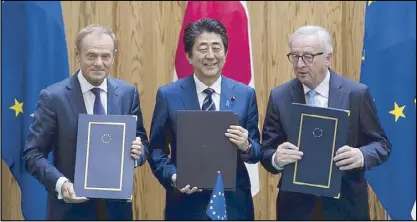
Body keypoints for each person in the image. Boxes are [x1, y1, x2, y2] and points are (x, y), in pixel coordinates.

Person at [260, 25, 391, 220]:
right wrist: (276, 159)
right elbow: (265, 151)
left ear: (328, 58)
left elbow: (382, 145)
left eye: (308, 56)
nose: (300, 64)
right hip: (296, 208)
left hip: (346, 206)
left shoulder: (355, 94)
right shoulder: (279, 96)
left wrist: (361, 155)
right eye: (295, 56)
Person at [23, 24, 149, 220]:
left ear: (113, 56)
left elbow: (142, 142)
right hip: (70, 211)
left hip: (117, 213)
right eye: (91, 55)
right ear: (77, 55)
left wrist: (138, 154)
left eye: (105, 56)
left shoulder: (128, 94)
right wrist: (62, 184)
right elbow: (33, 154)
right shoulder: (53, 97)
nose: (99, 63)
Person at [147, 18, 261, 220]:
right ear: (189, 56)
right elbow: (156, 149)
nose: (210, 56)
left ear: (225, 53)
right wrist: (174, 176)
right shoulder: (168, 95)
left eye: (216, 48)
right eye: (202, 48)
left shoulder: (245, 95)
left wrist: (246, 145)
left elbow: (256, 150)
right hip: (185, 204)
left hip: (234, 204)